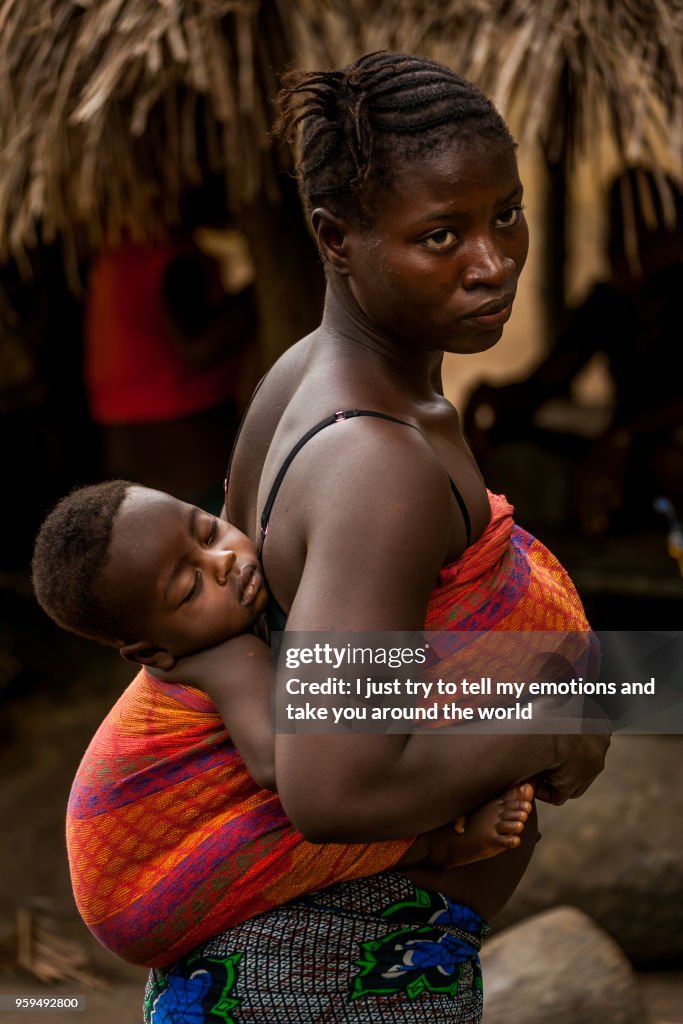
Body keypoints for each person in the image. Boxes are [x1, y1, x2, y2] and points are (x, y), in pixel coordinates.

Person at [31, 479, 535, 970]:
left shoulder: (202, 641)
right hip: (147, 890)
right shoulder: (225, 656)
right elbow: (286, 763)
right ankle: (438, 846)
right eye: (190, 588)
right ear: (151, 651)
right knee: (320, 794)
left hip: (124, 891)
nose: (223, 562)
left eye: (207, 532)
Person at [464, 167, 683, 538]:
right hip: (621, 454)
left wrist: (623, 438)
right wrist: (494, 400)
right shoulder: (610, 304)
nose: (633, 246)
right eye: (621, 230)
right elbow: (546, 382)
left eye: (649, 234)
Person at [83, 227, 258, 515]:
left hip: (138, 461)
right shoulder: (170, 258)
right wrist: (259, 289)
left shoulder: (115, 254)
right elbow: (197, 346)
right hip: (190, 463)